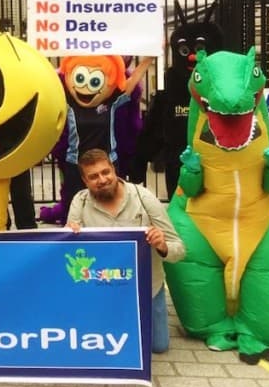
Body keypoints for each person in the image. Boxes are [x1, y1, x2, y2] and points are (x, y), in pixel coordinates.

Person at [65, 148, 185, 354]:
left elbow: (179, 250)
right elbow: (68, 250)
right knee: (101, 343)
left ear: (114, 169)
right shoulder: (80, 201)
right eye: (93, 177)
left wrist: (162, 246)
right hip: (102, 287)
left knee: (159, 346)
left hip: (146, 287)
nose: (102, 180)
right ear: (85, 181)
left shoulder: (143, 197)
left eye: (105, 172)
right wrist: (69, 236)